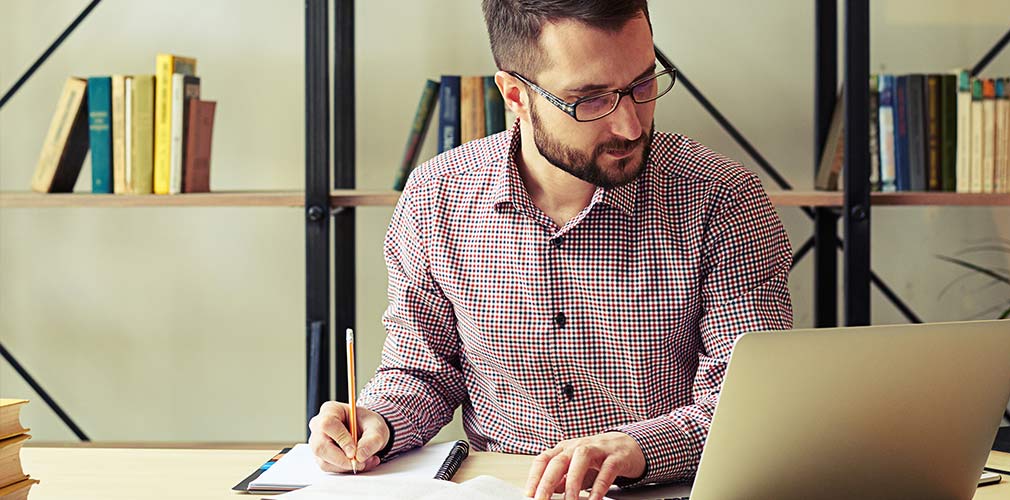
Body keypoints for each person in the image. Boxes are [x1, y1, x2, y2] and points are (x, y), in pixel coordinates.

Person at [308, 1, 793, 499]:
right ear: (516, 94)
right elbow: (423, 370)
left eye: (643, 85)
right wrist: (378, 421)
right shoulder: (436, 196)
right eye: (591, 99)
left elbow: (745, 404)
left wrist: (637, 447)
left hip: (666, 491)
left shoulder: (721, 198)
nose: (630, 126)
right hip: (506, 489)